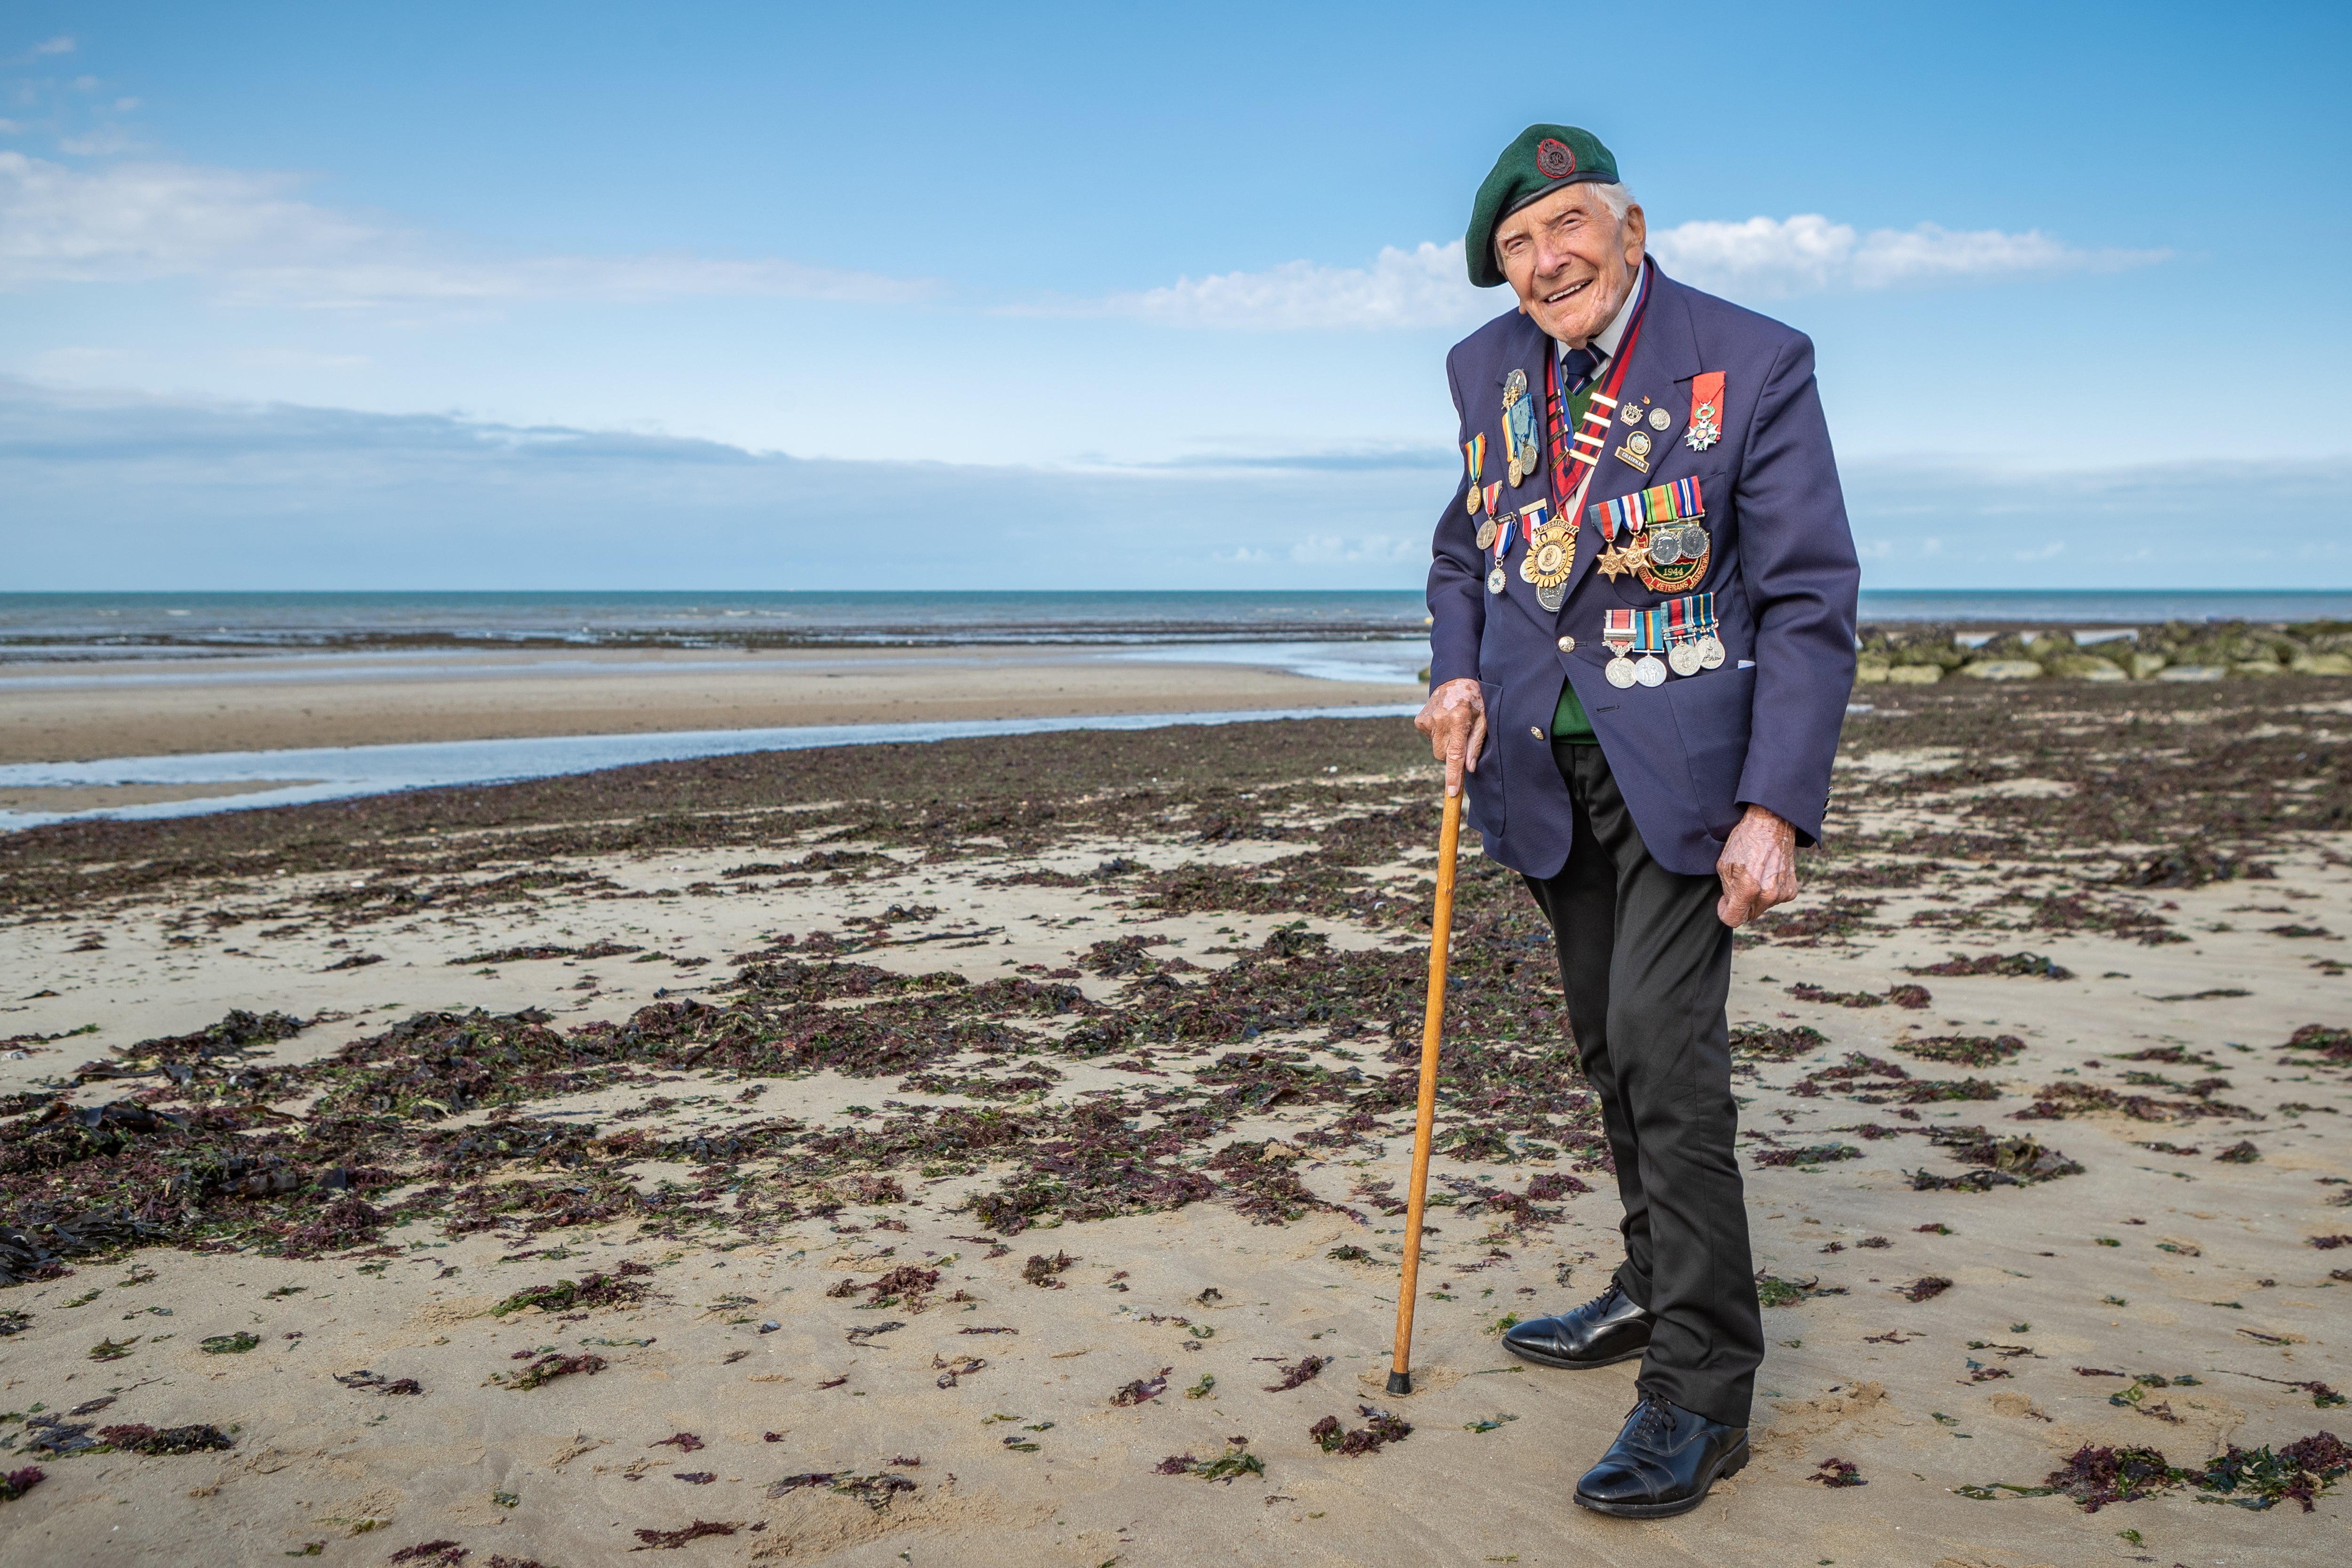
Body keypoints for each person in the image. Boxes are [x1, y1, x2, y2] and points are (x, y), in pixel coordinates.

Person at [1414, 122, 1859, 1519]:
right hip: (1541, 773)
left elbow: (1808, 601)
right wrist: (1457, 665)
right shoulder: (1486, 372)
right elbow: (1463, 549)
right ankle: (1649, 1280)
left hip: (1689, 775)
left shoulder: (1752, 360)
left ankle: (1700, 1390)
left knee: (1669, 1061)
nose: (1546, 265)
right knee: (1610, 1045)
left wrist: (1778, 804)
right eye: (1517, 248)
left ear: (1633, 227)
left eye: (1566, 230)